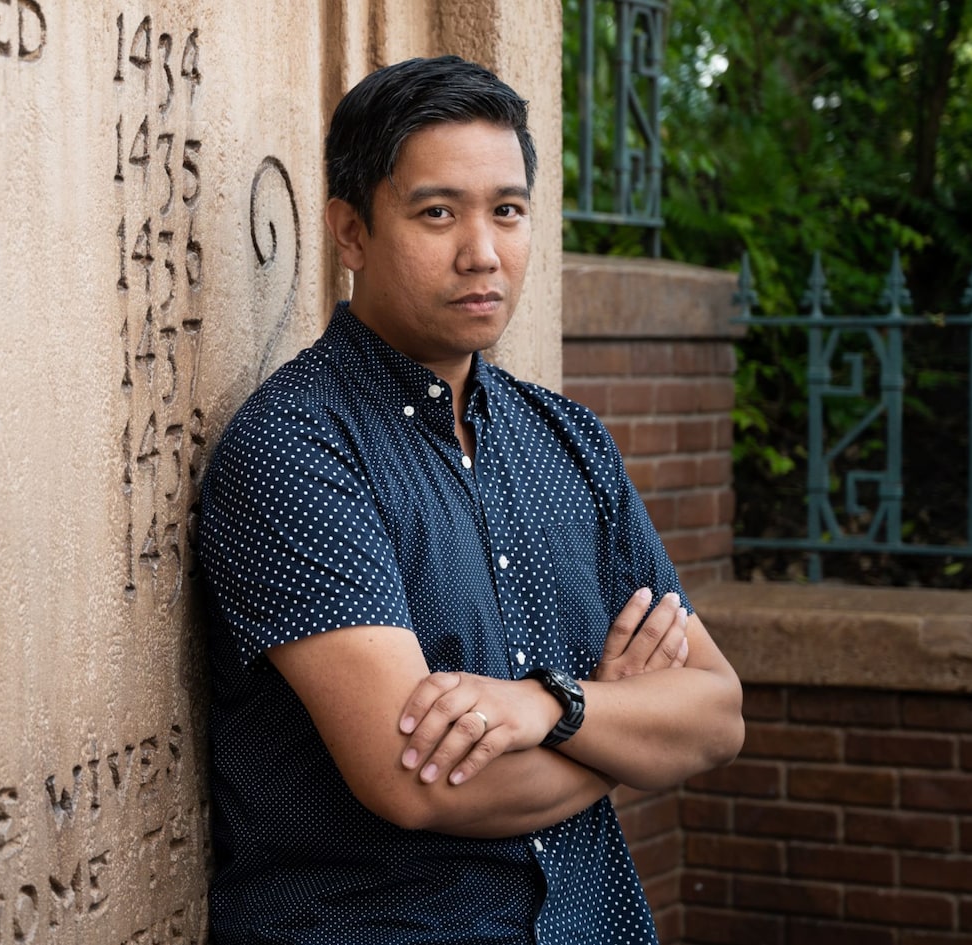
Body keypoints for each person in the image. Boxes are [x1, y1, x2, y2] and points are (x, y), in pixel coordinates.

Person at [195, 56, 744, 944]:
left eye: (509, 210)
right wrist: (616, 720)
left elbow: (717, 712)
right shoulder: (296, 446)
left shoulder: (568, 440)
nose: (483, 251)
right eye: (437, 212)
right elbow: (416, 780)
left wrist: (547, 705)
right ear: (351, 231)